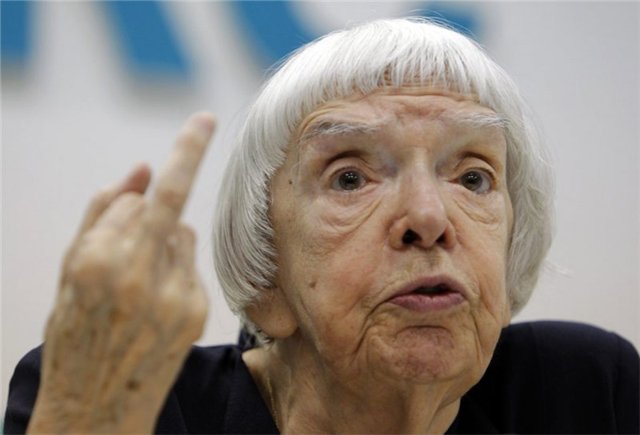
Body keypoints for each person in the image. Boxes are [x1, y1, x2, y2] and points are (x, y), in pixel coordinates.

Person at [4, 17, 639, 434]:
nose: (428, 218)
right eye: (350, 177)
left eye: (473, 178)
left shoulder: (582, 394)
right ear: (266, 273)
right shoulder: (135, 401)